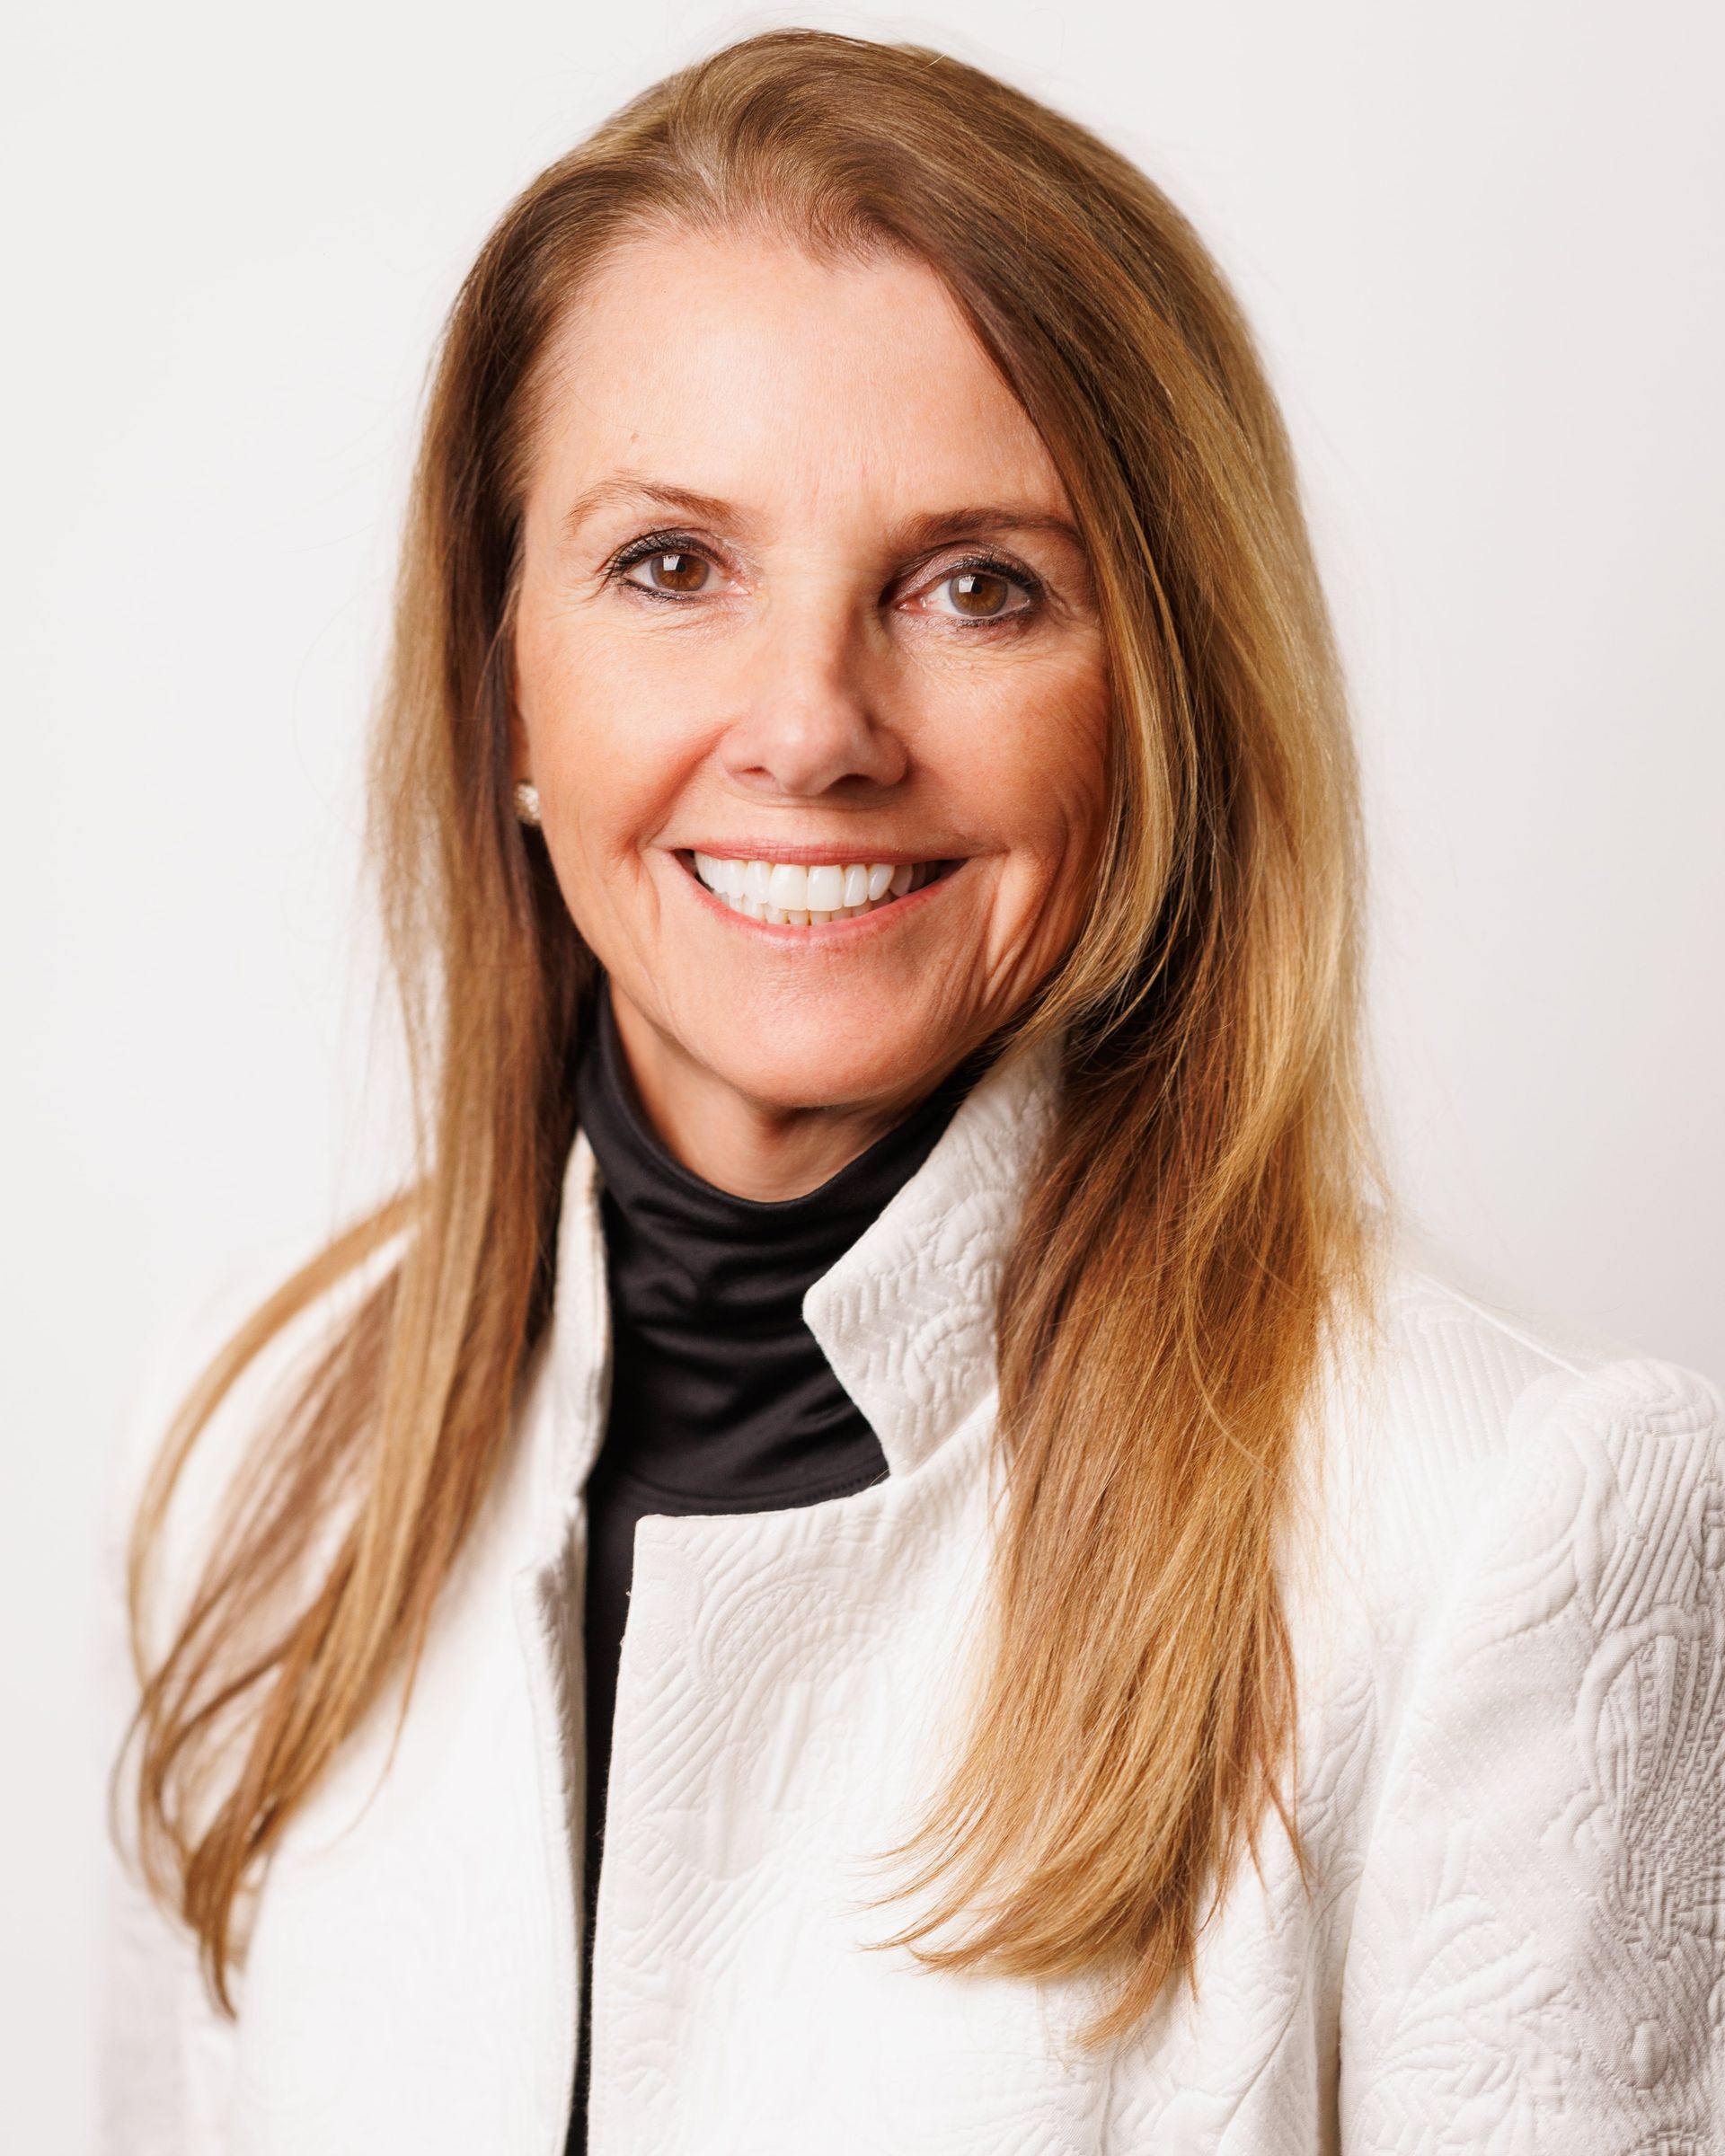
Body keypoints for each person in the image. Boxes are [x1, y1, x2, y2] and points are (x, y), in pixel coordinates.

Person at [98, 26, 1725, 2155]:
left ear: (1162, 702)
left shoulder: (1506, 1519)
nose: (813, 726)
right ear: (505, 678)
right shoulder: (255, 1442)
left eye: (980, 588)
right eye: (671, 564)